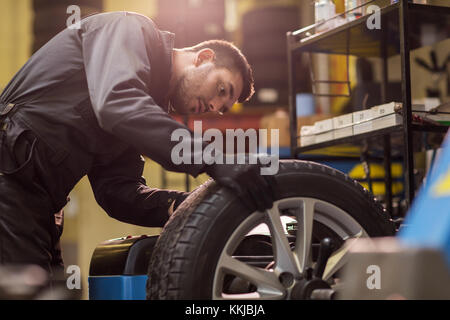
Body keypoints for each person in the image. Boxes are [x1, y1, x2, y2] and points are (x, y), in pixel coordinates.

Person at [0, 11, 275, 278]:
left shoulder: (140, 106)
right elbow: (117, 104)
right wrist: (213, 159)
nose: (214, 106)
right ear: (203, 58)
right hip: (9, 174)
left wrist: (183, 205)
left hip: (37, 202)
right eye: (221, 89)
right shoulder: (131, 30)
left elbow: (116, 191)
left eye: (222, 109)